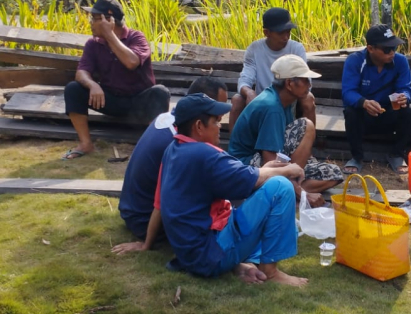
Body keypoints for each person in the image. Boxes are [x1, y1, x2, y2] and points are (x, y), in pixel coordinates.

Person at [116, 93, 309, 286]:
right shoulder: (205, 154)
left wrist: (146, 244)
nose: (220, 127)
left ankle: (241, 263)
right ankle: (271, 272)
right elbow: (251, 180)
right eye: (216, 122)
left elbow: (158, 204)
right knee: (281, 187)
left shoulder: (173, 149)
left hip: (191, 256)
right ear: (199, 126)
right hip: (210, 255)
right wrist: (287, 169)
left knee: (276, 214)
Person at [117, 77, 228, 241]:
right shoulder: (179, 144)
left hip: (132, 210)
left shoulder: (168, 118)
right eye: (218, 111)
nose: (222, 116)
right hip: (145, 220)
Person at [62, 0, 170, 159]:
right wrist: (92, 85)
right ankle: (86, 144)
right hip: (110, 100)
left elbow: (131, 62)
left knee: (160, 92)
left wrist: (109, 34)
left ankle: (152, 147)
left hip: (139, 103)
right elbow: (81, 72)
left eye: (95, 19)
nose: (91, 23)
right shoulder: (93, 43)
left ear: (108, 20)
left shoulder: (137, 37)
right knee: (73, 89)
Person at [228, 54, 344, 194]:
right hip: (247, 166)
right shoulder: (272, 108)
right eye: (305, 80)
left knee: (334, 174)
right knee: (306, 125)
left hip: (271, 161)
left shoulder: (287, 102)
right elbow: (270, 159)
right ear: (289, 84)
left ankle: (289, 189)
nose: (309, 84)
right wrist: (301, 193)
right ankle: (288, 191)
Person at [341, 24, 411, 174]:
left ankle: (396, 154)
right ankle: (357, 157)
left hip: (389, 113)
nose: (392, 52)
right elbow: (348, 92)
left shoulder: (400, 61)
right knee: (350, 111)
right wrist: (364, 102)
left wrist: (404, 97)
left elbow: (405, 88)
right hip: (364, 114)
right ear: (370, 48)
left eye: (394, 48)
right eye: (387, 49)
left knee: (410, 111)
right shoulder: (355, 61)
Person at [229, 7, 315, 131]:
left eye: (288, 32)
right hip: (261, 100)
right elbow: (245, 79)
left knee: (309, 99)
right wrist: (249, 92)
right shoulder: (254, 49)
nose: (286, 37)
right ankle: (235, 142)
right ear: (266, 33)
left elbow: (305, 81)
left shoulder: (296, 48)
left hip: (290, 99)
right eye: (281, 33)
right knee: (237, 100)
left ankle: (307, 139)